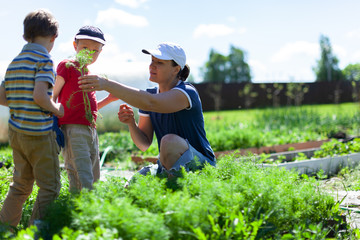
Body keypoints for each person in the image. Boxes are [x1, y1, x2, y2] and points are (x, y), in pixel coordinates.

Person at [78, 42, 216, 177]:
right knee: (133, 184)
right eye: (152, 61)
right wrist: (131, 123)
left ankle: (172, 186)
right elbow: (144, 144)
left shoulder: (186, 92)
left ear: (176, 69)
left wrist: (106, 84)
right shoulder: (150, 94)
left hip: (201, 165)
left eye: (159, 63)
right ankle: (168, 180)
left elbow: (152, 103)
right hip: (166, 164)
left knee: (169, 141)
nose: (152, 66)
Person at [0, 9, 64, 228]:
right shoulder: (44, 60)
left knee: (21, 185)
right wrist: (57, 108)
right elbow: (40, 96)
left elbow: (2, 97)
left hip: (17, 133)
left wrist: (22, 103)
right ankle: (33, 232)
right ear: (53, 37)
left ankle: (5, 229)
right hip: (39, 134)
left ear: (25, 35)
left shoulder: (14, 62)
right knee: (50, 187)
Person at [52, 26, 117, 192]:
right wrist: (52, 121)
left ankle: (87, 207)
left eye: (96, 51)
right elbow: (53, 95)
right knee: (81, 173)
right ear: (75, 46)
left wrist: (109, 100)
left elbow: (90, 109)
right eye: (85, 48)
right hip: (73, 129)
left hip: (90, 129)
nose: (90, 54)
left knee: (94, 173)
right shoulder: (67, 66)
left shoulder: (88, 74)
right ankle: (81, 209)